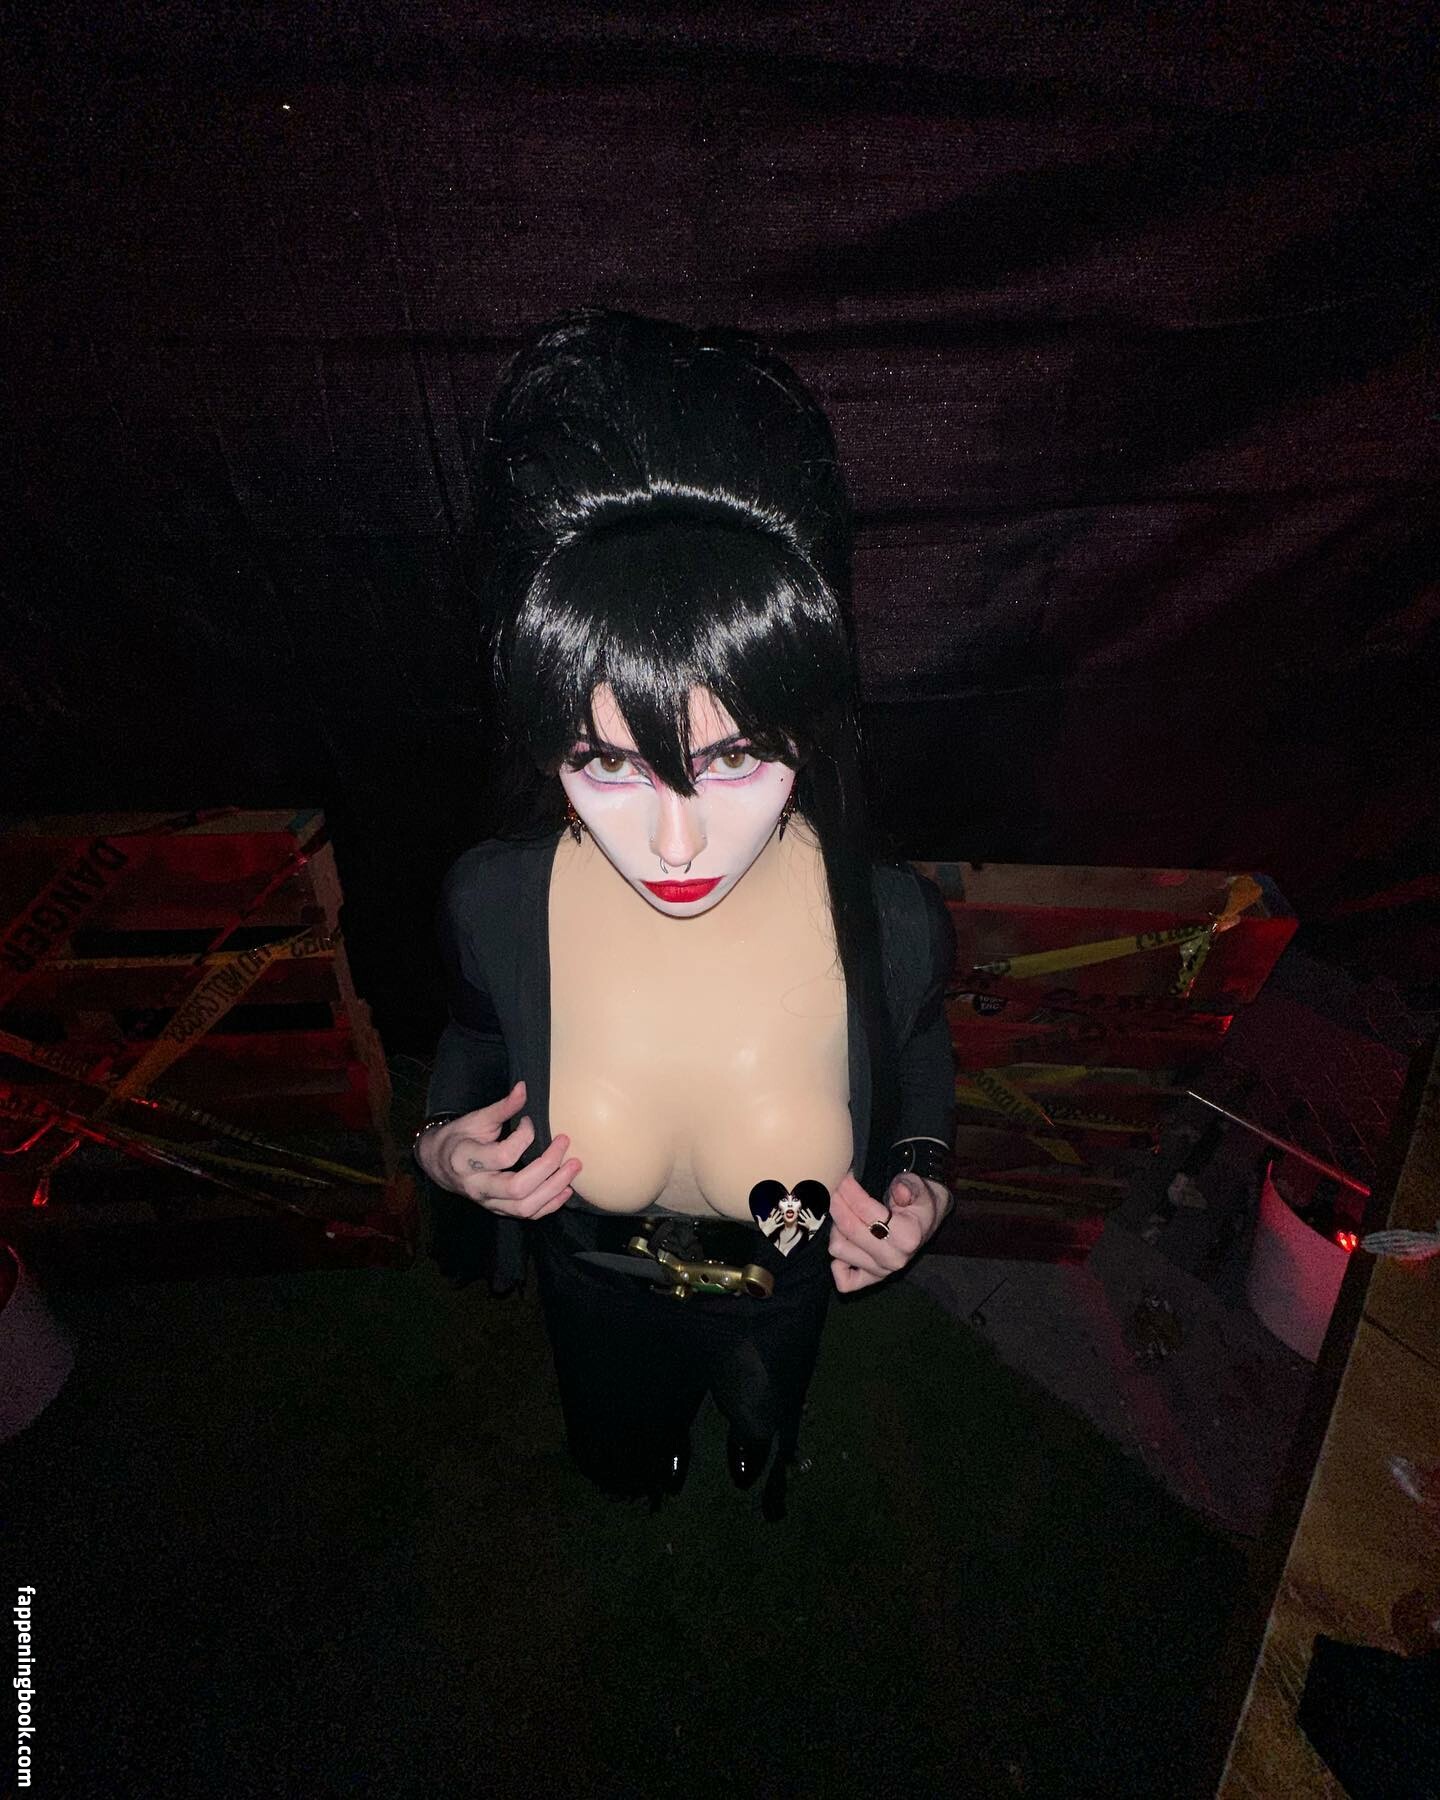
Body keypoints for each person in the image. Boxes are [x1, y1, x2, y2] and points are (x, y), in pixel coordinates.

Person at [413, 308, 956, 1520]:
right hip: (593, 1290)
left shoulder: (890, 924)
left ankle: (758, 1434)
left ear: (808, 730)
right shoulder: (497, 901)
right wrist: (443, 1144)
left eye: (734, 758)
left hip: (785, 1286)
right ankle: (640, 1455)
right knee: (619, 1439)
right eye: (608, 763)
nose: (674, 843)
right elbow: (472, 1041)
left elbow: (918, 1055)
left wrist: (924, 1184)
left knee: (766, 1406)